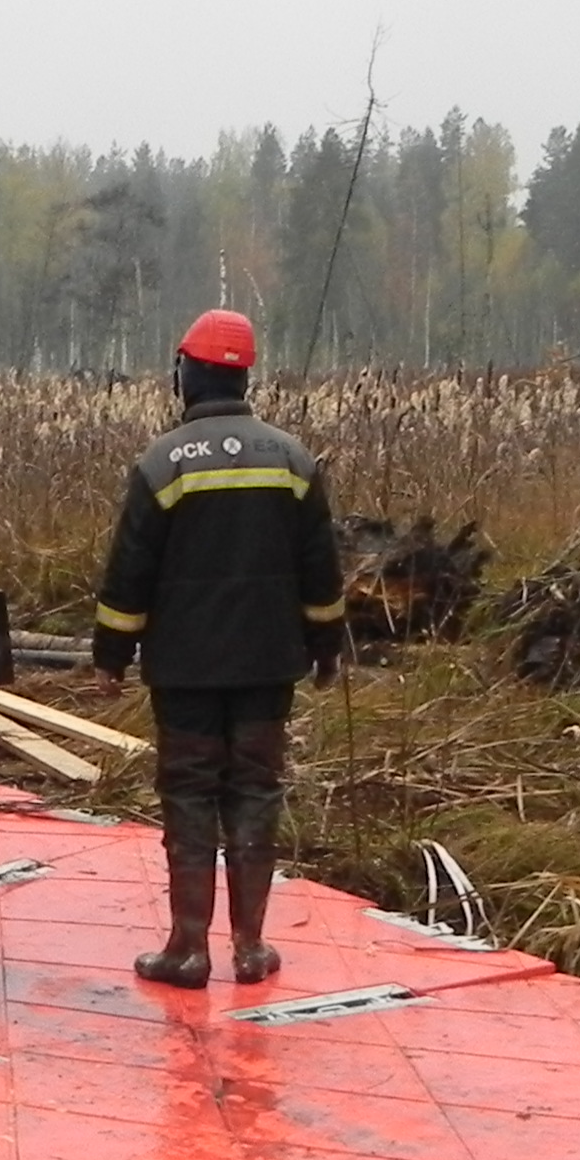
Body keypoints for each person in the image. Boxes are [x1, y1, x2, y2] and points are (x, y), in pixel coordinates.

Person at [89, 309, 347, 987]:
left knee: (190, 792)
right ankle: (252, 948)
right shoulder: (293, 460)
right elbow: (322, 569)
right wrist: (327, 645)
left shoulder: (161, 463)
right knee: (256, 789)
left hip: (186, 670)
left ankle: (187, 948)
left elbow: (130, 573)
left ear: (187, 374)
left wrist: (112, 655)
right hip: (269, 666)